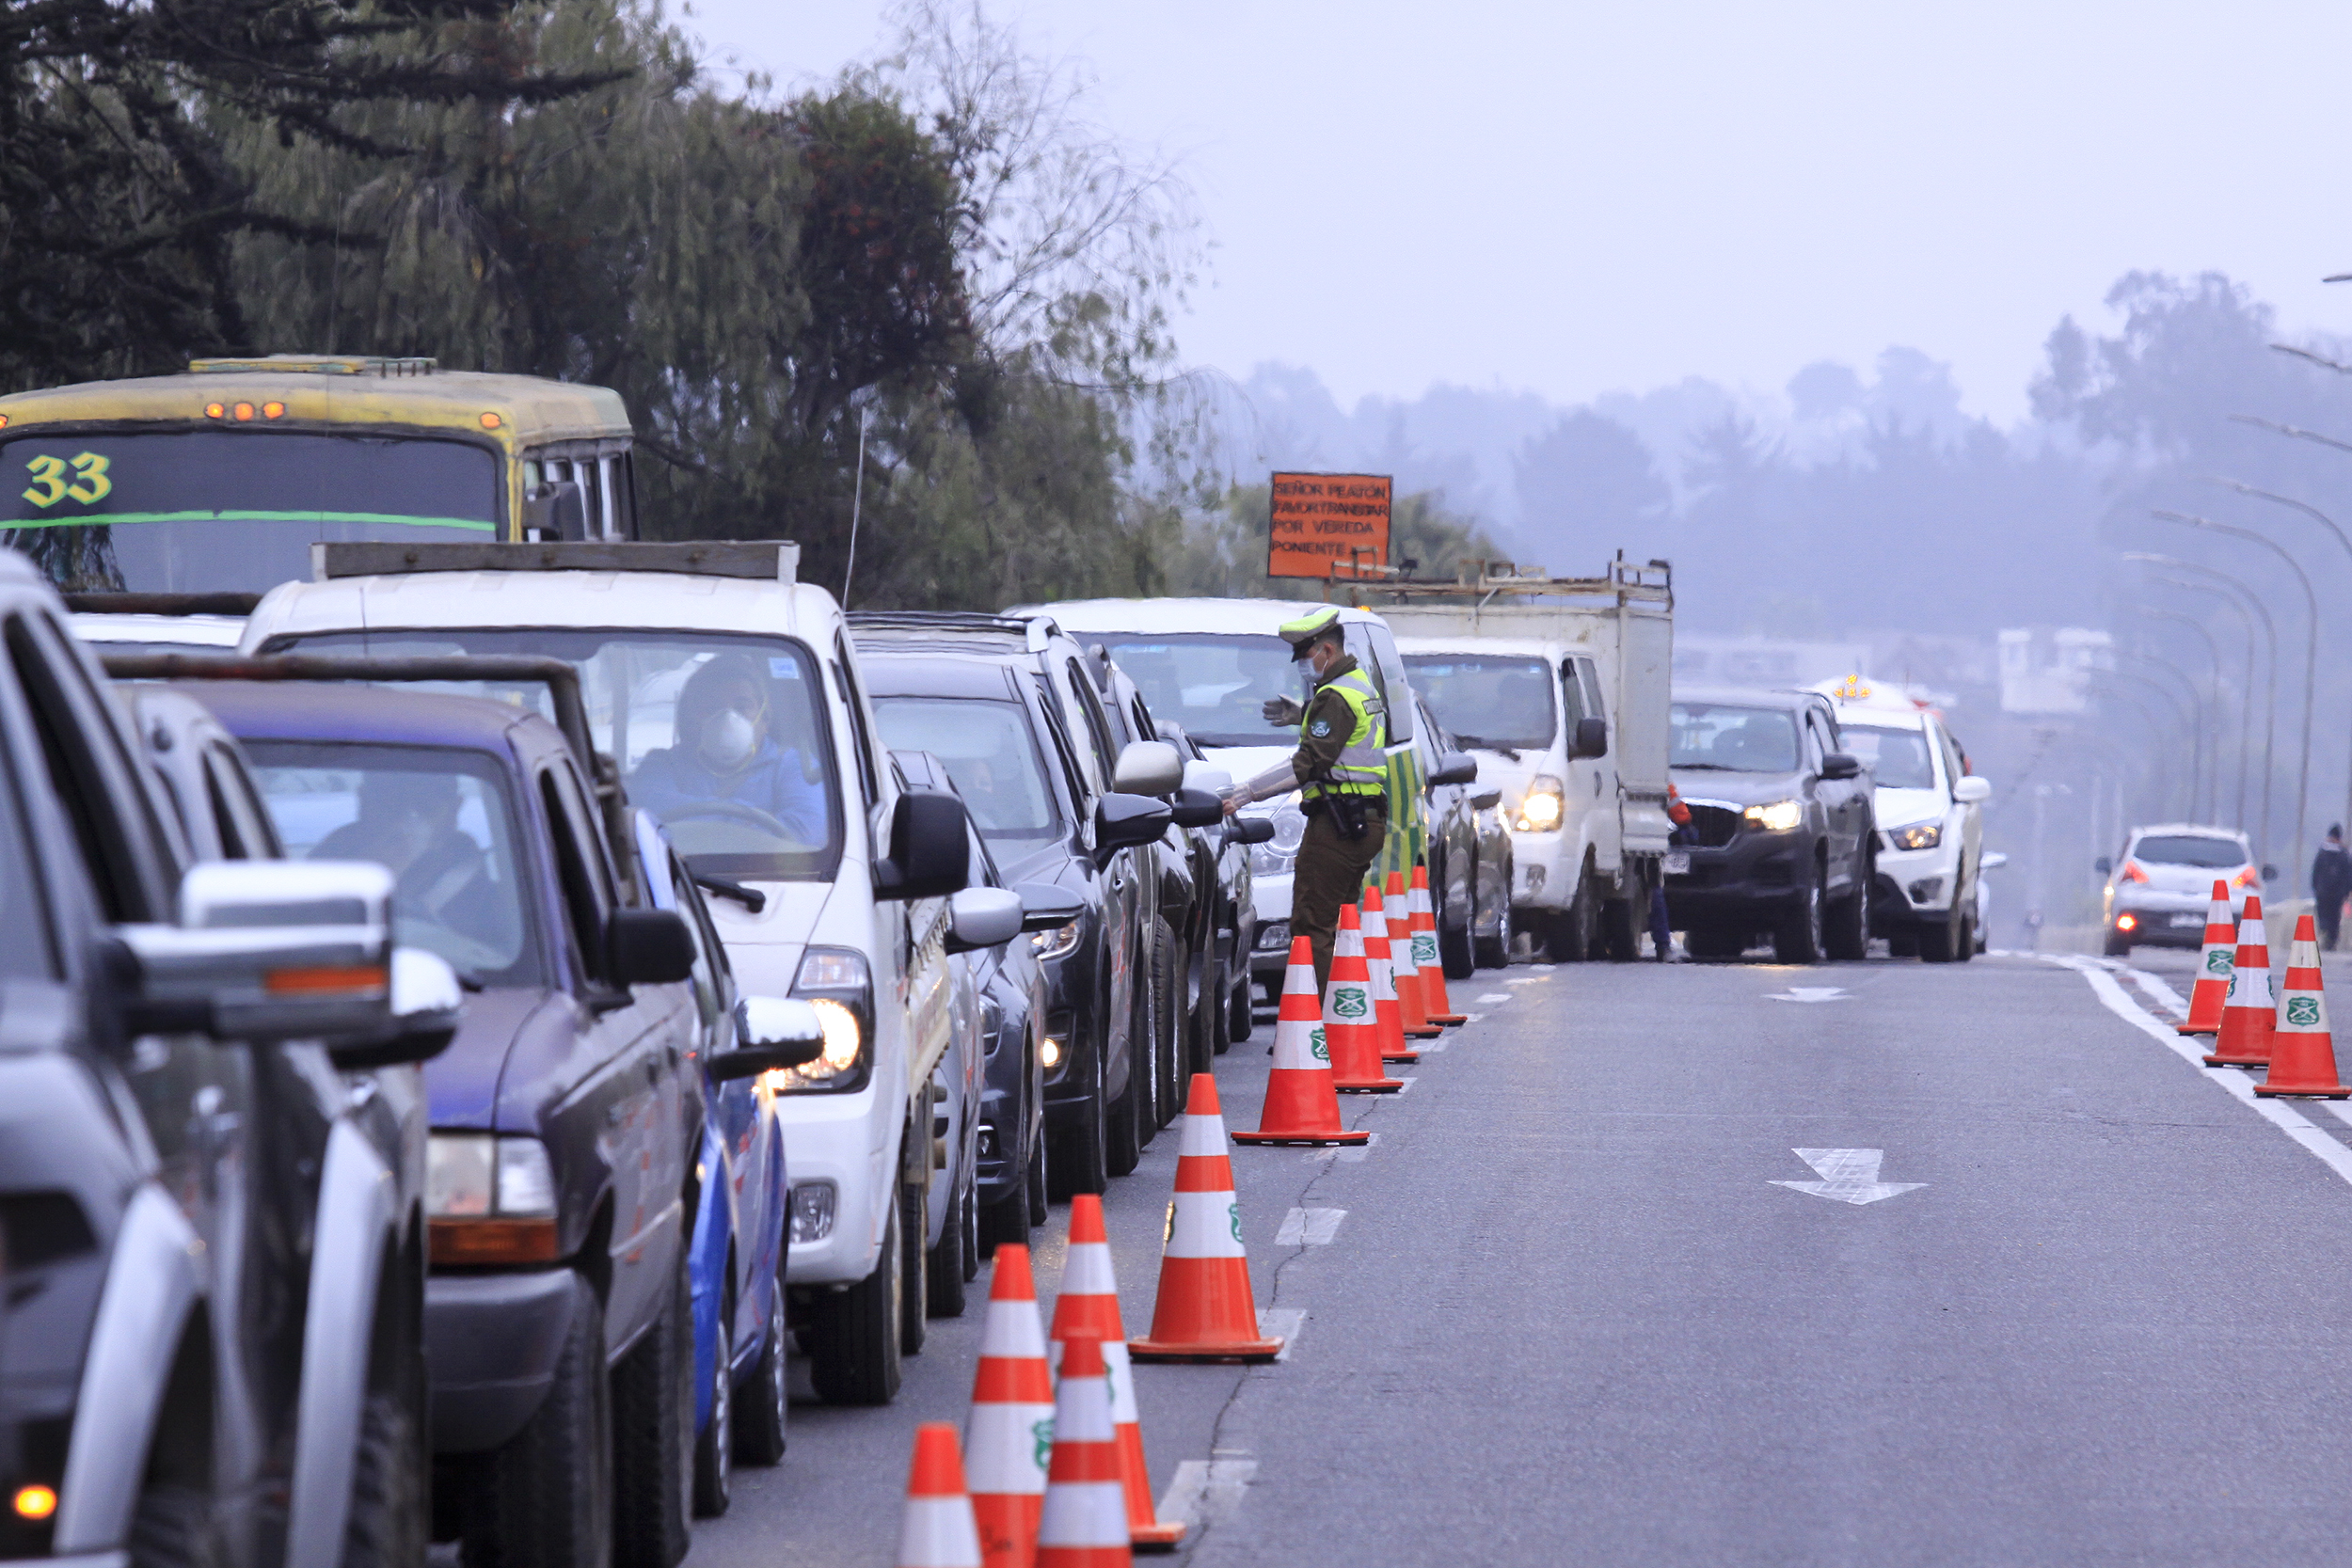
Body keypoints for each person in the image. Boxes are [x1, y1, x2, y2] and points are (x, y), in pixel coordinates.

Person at [1221, 607, 1390, 989]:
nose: (1301, 665)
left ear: (1327, 651)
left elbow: (1310, 761)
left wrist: (1246, 793)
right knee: (1342, 924)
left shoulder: (1335, 697)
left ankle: (1317, 1029)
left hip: (1338, 824)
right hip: (1362, 819)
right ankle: (1349, 1020)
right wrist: (1306, 714)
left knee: (1312, 924)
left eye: (1305, 656)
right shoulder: (1359, 684)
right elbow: (1349, 739)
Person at [631, 653, 828, 846]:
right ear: (693, 717)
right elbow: (643, 818)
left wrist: (701, 821)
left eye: (742, 707)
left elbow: (806, 834)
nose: (726, 718)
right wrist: (751, 817)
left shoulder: (796, 766)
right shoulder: (663, 764)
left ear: (765, 718)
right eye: (711, 707)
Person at [314, 768, 509, 956]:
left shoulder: (495, 902)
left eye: (426, 808)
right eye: (391, 806)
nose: (406, 823)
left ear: (455, 808)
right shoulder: (326, 866)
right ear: (364, 801)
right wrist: (375, 874)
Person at [2313, 824, 2352, 950]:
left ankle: (2325, 933)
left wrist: (2316, 888)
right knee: (2334, 916)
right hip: (2338, 894)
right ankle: (2331, 939)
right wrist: (2346, 892)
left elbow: (2315, 872)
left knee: (2323, 914)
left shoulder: (2322, 852)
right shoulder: (2343, 854)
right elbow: (2348, 875)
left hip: (2322, 892)